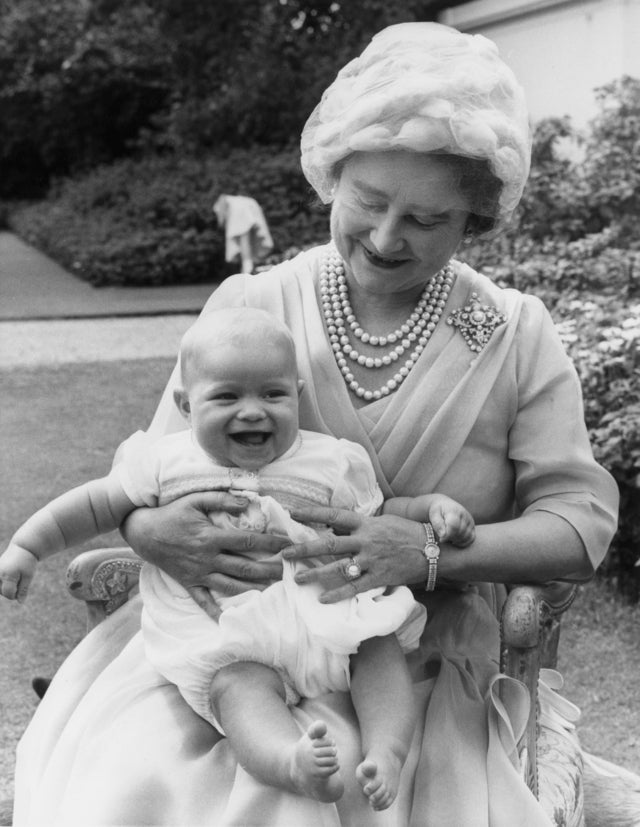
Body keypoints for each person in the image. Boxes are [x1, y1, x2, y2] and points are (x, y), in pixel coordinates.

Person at [12, 21, 622, 827]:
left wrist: (428, 553)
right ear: (333, 175)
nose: (385, 236)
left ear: (476, 219)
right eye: (368, 201)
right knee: (144, 783)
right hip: (228, 641)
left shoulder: (513, 332)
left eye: (426, 219)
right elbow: (153, 474)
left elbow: (579, 529)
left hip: (408, 661)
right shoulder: (253, 307)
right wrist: (155, 531)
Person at [2, 307, 475, 811]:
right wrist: (27, 547)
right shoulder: (166, 462)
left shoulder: (331, 460)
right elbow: (95, 505)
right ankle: (287, 761)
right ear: (186, 405)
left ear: (296, 395)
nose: (252, 411)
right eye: (226, 396)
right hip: (228, 633)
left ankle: (387, 751)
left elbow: (382, 513)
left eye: (272, 394)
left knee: (377, 649)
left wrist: (434, 512)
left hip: (328, 617)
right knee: (237, 689)